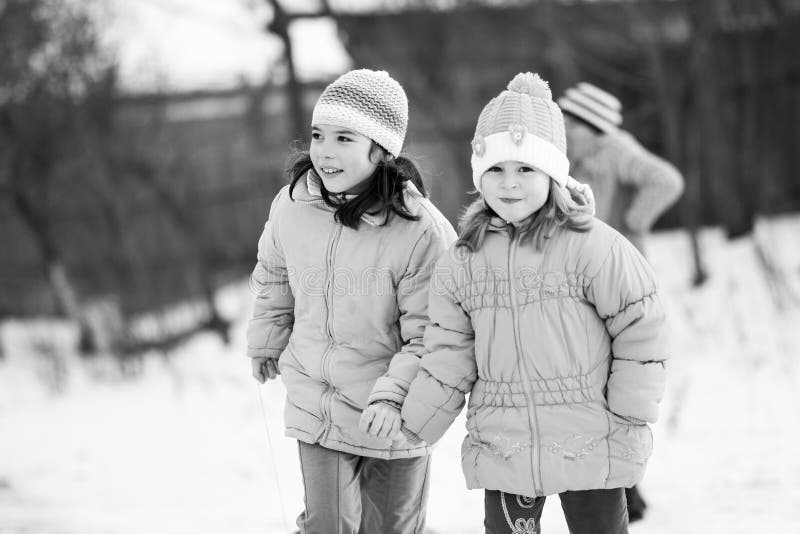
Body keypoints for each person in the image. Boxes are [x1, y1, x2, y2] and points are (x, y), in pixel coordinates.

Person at [387, 72, 668, 534]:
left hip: (591, 438)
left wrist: (629, 408)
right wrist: (418, 419)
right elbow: (448, 351)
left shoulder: (593, 245)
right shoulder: (464, 260)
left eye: (525, 169)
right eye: (495, 169)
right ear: (479, 177)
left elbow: (643, 324)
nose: (510, 184)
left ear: (553, 173)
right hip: (506, 445)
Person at [247, 69, 457, 534]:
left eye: (344, 138)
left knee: (389, 529)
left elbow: (436, 334)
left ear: (381, 150)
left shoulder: (420, 231)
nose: (324, 150)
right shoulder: (292, 206)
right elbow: (275, 275)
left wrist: (393, 397)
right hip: (318, 403)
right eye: (318, 135)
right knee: (328, 526)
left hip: (393, 414)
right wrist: (268, 337)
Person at [558, 82, 684, 520]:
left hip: (620, 285)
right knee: (596, 385)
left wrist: (634, 221)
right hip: (591, 283)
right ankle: (626, 489)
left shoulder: (615, 149)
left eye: (572, 123)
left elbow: (667, 180)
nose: (566, 130)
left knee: (613, 387)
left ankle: (628, 489)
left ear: (591, 126)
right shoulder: (581, 156)